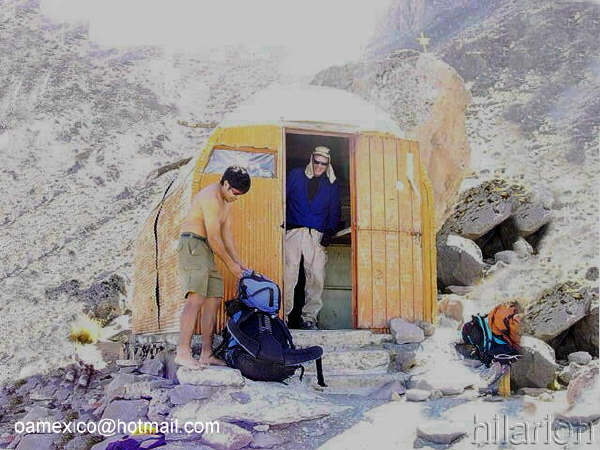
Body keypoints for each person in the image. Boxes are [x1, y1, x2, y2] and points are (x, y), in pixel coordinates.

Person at [175, 166, 251, 368]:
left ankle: (206, 353)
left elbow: (226, 236)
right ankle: (183, 351)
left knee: (214, 299)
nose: (236, 197)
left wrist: (238, 263)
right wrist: (230, 266)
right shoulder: (211, 198)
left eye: (240, 195)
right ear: (225, 184)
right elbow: (214, 237)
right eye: (235, 193)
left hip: (207, 250)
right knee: (196, 297)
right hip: (193, 244)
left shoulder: (226, 203)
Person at [284, 146, 341, 329]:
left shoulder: (331, 184)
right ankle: (282, 316)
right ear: (311, 160)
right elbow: (282, 199)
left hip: (316, 234)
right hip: (294, 231)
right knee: (288, 274)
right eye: (316, 161)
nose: (319, 166)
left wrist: (329, 231)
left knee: (316, 276)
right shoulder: (295, 175)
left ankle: (309, 318)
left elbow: (335, 209)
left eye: (323, 163)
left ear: (327, 165)